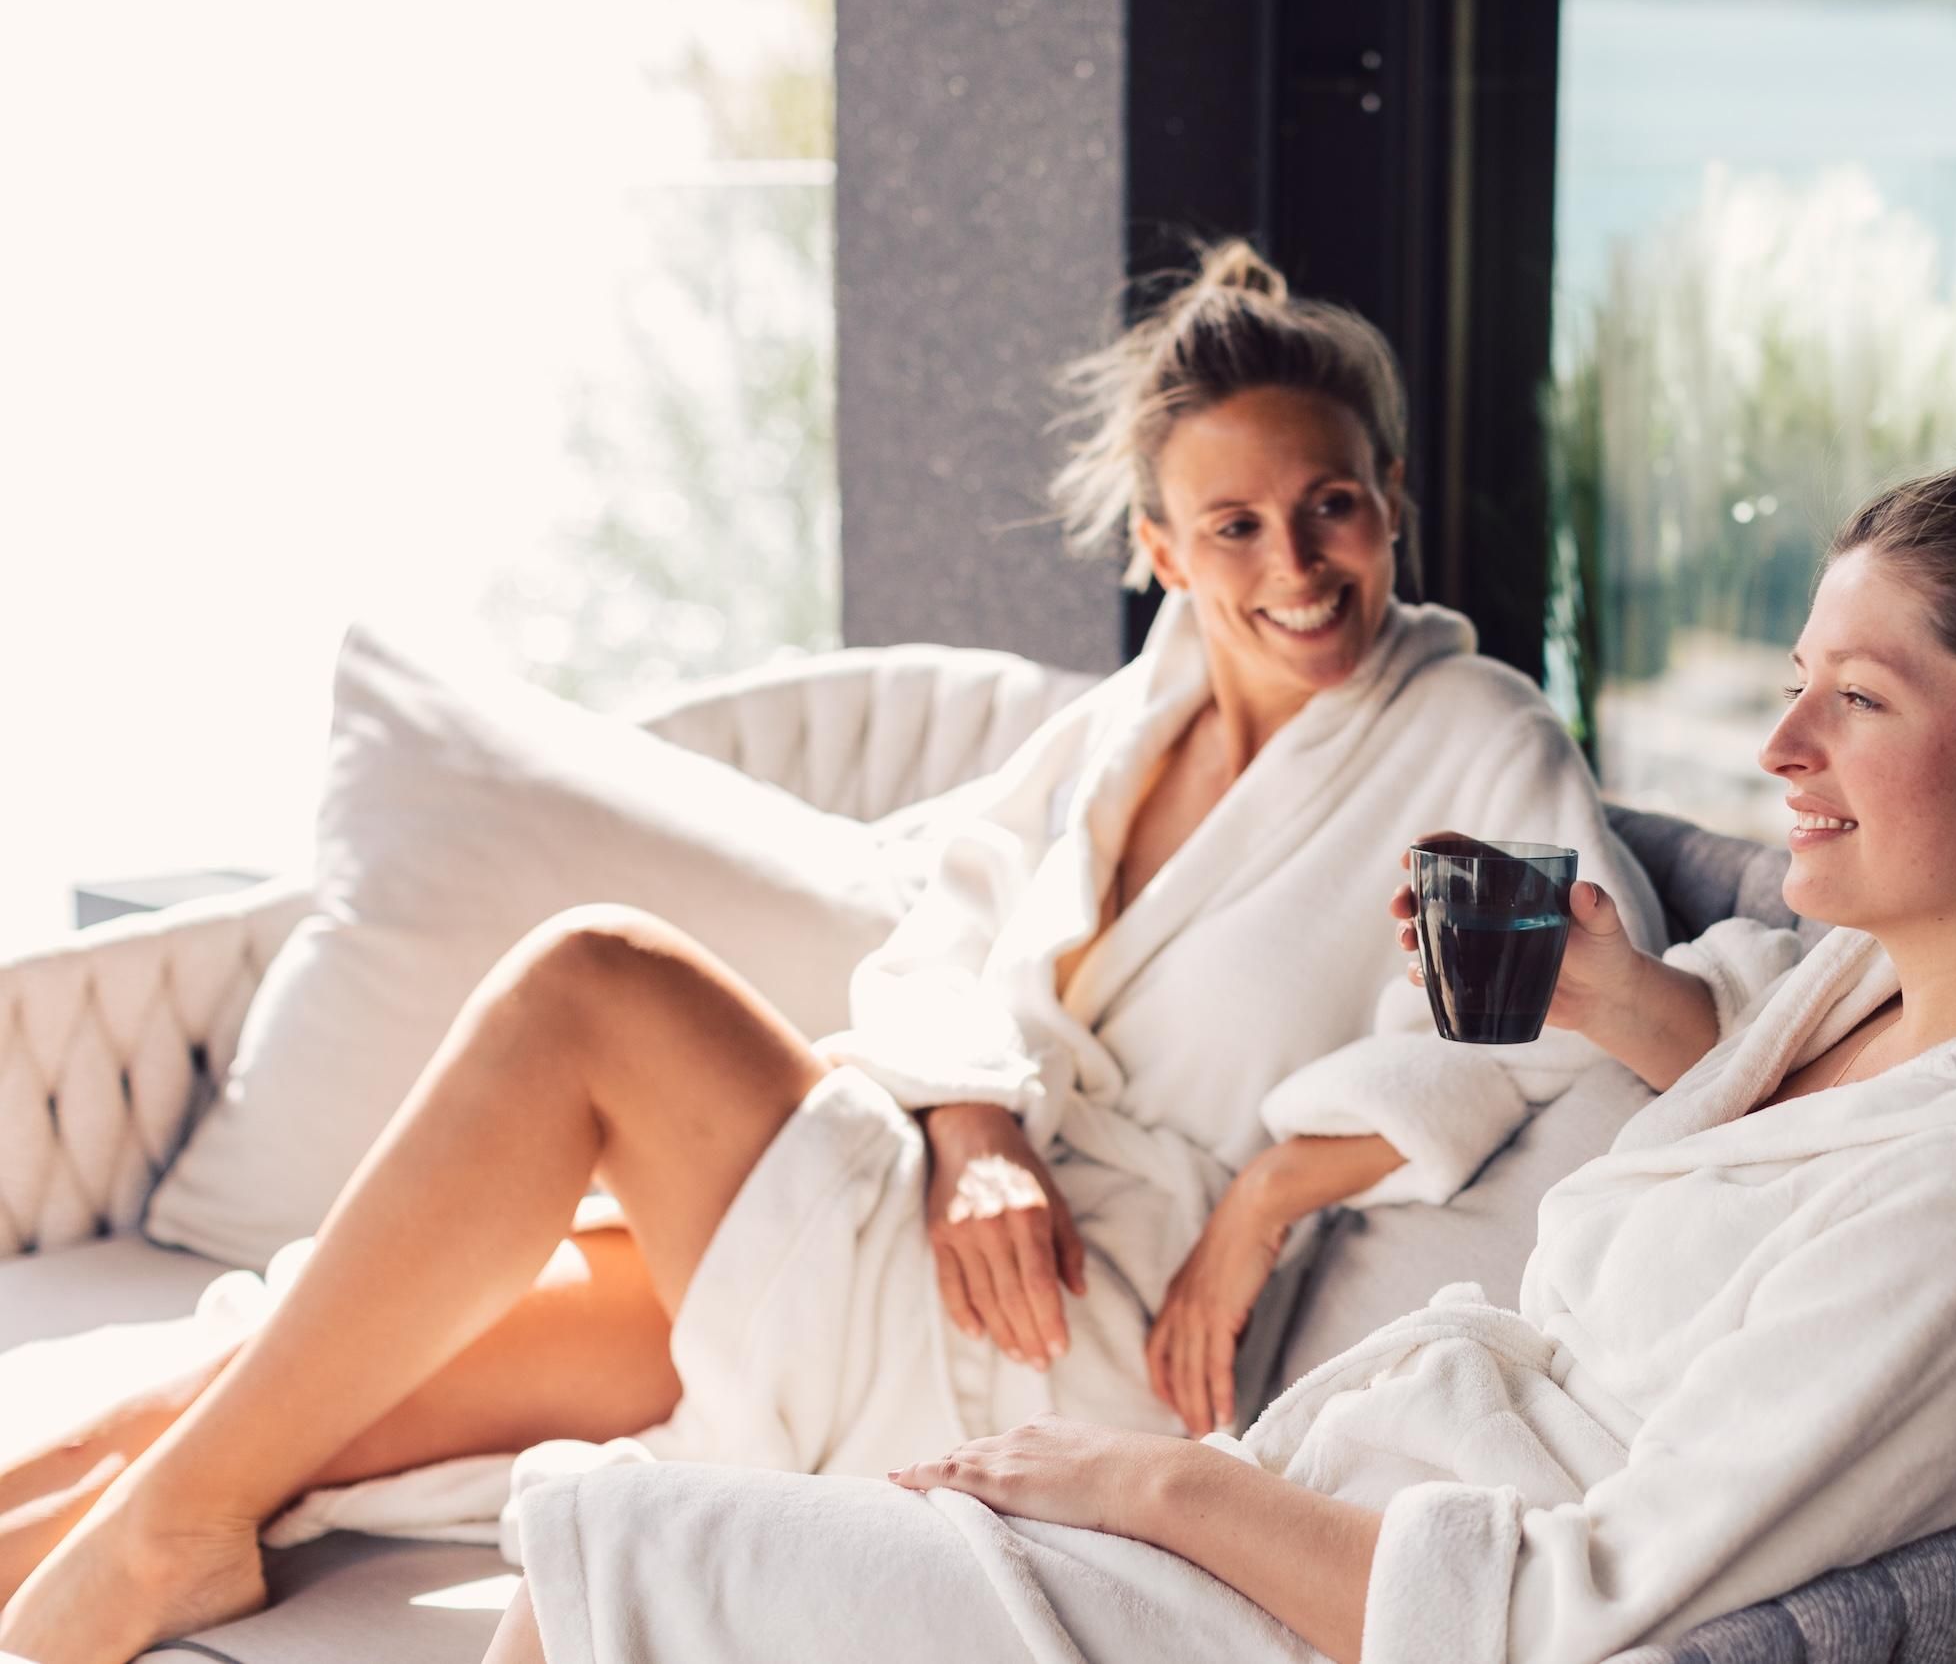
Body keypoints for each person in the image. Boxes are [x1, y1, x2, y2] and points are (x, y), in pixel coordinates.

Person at [0, 241, 1663, 1664]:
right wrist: (973, 1121)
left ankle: (156, 1552)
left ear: (1392, 507)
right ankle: (132, 1555)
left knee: (595, 979)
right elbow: (952, 913)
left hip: (1086, 1326)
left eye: (1332, 508)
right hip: (943, 1233)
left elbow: (1554, 1001)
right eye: (1233, 526)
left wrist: (1264, 1199)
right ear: (1161, 551)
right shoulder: (1132, 718)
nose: (1294, 565)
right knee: (276, 1400)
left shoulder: (1467, 730)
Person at [454, 396, 1956, 1664]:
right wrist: (1606, 994)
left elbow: (1575, 1614)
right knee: (607, 1546)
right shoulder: (1867, 998)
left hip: (1329, 1613)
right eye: (1797, 682)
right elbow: (1768, 1102)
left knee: (604, 1553)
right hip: (1317, 1502)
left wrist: (1155, 1482)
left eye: (1859, 702)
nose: (1779, 752)